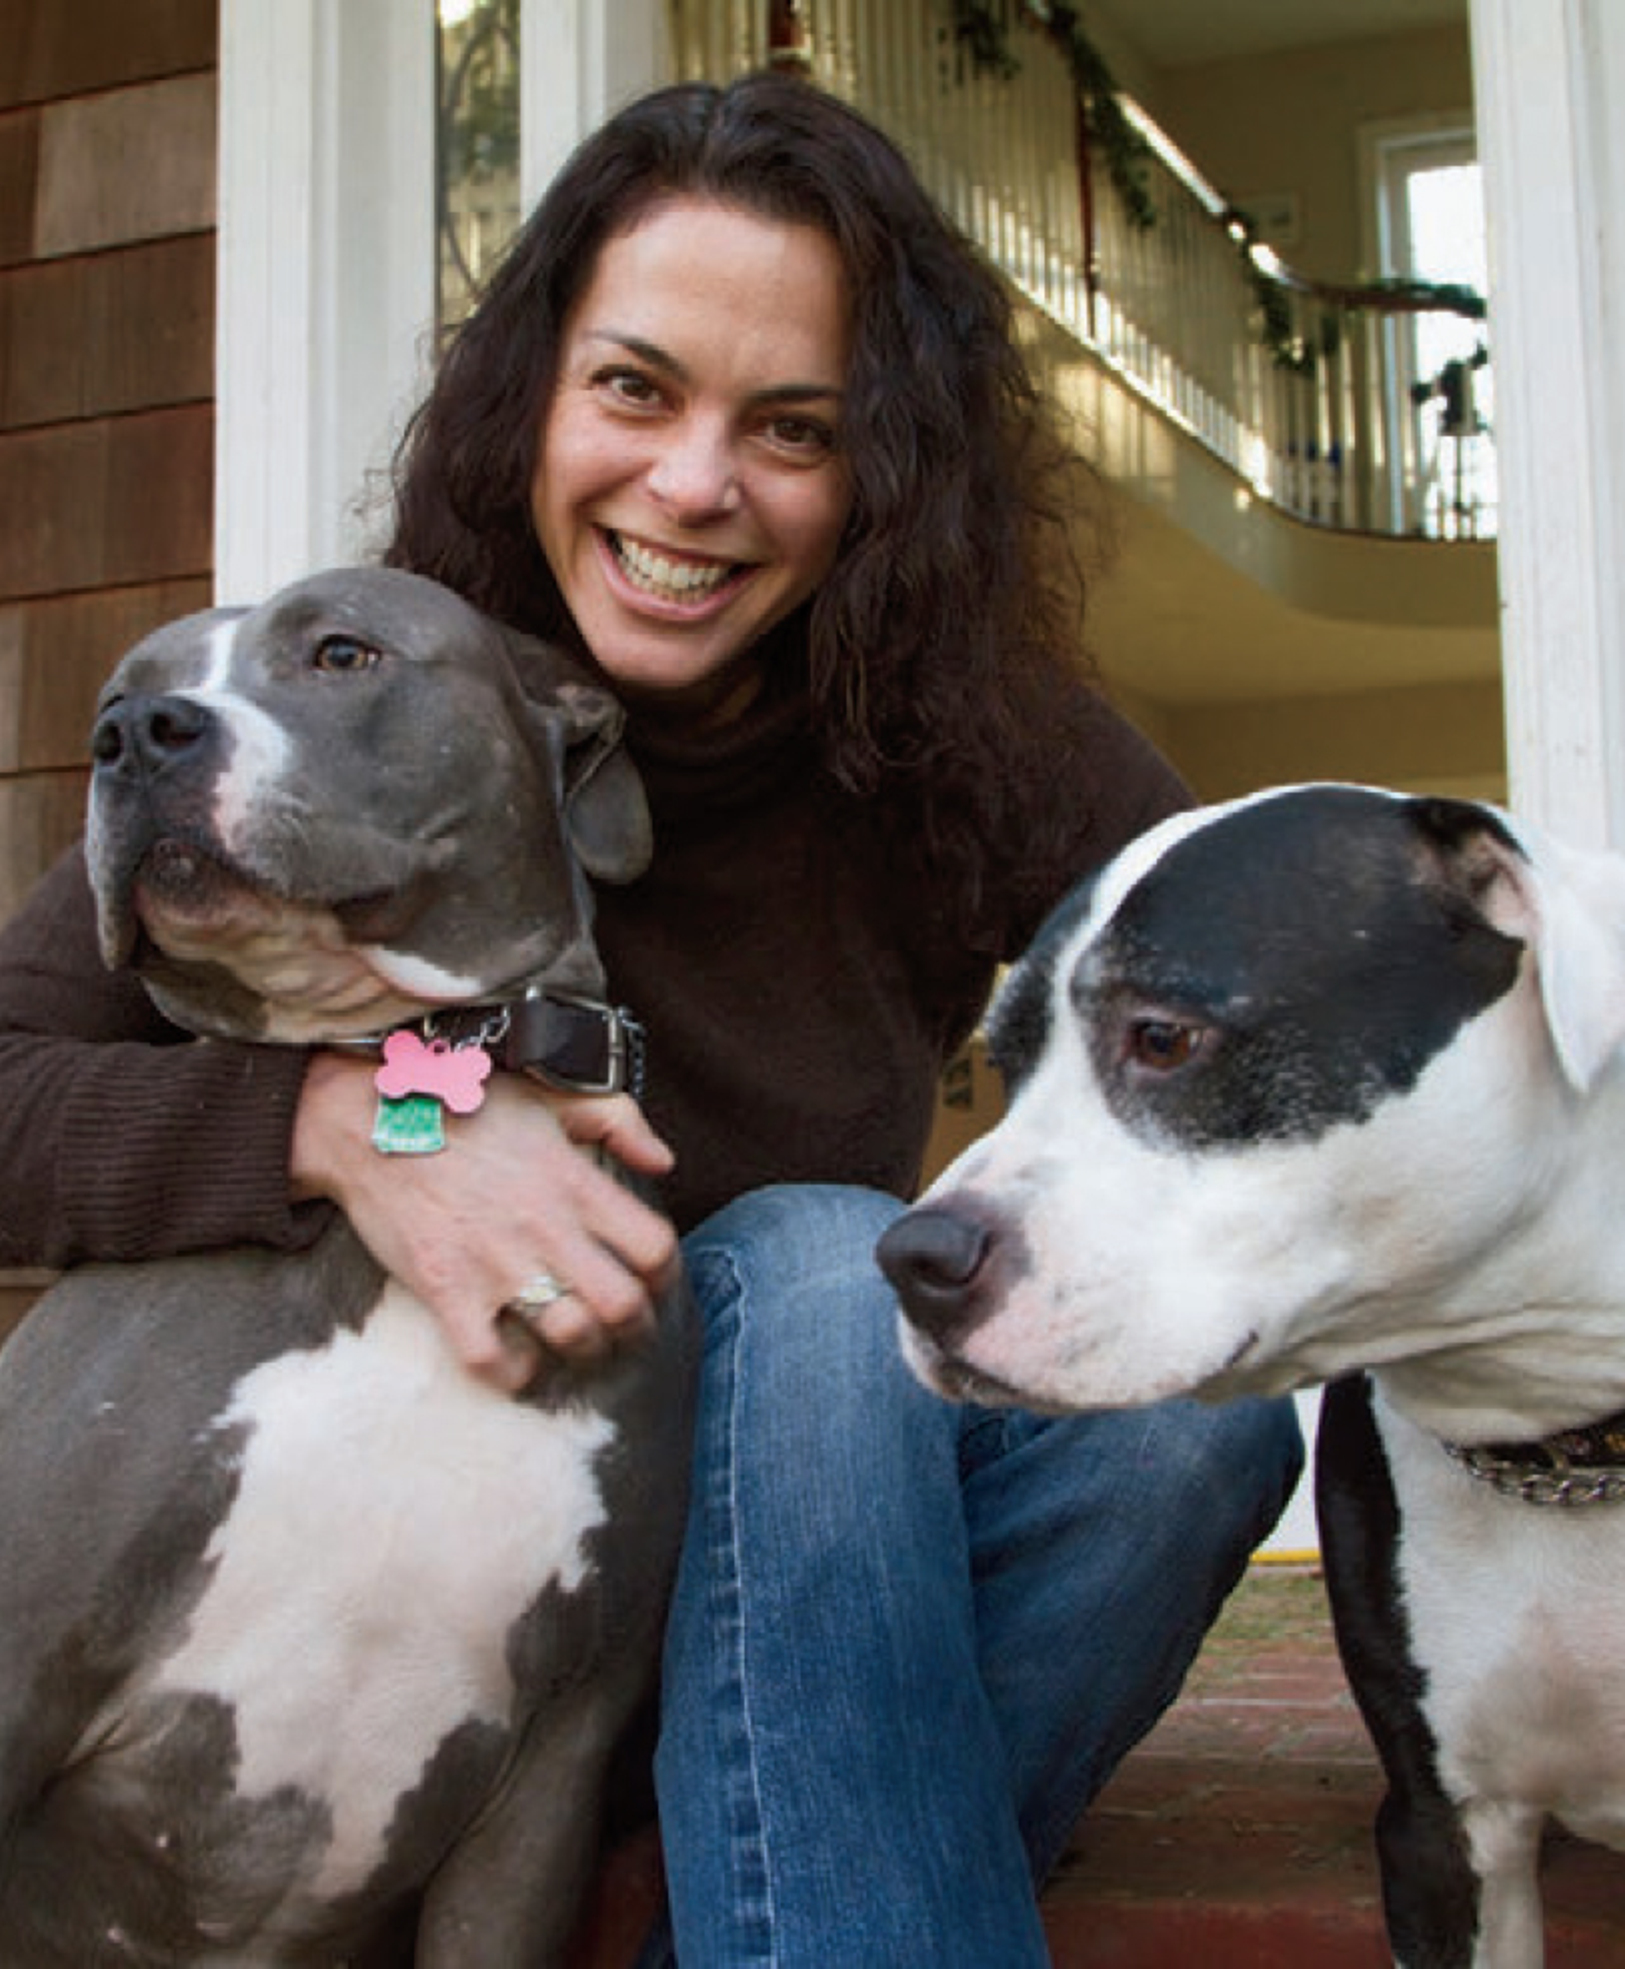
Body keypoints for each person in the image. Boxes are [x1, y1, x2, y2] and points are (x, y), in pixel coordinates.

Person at [0, 71, 1301, 1965]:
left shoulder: (980, 752)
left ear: (880, 473)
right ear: (536, 395)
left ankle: (754, 1912)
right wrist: (348, 1120)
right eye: (633, 388)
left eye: (791, 427)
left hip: (760, 1586)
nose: (694, 486)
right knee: (815, 1256)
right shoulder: (376, 689)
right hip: (410, 1611)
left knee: (1168, 1422)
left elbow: (1275, 1031)